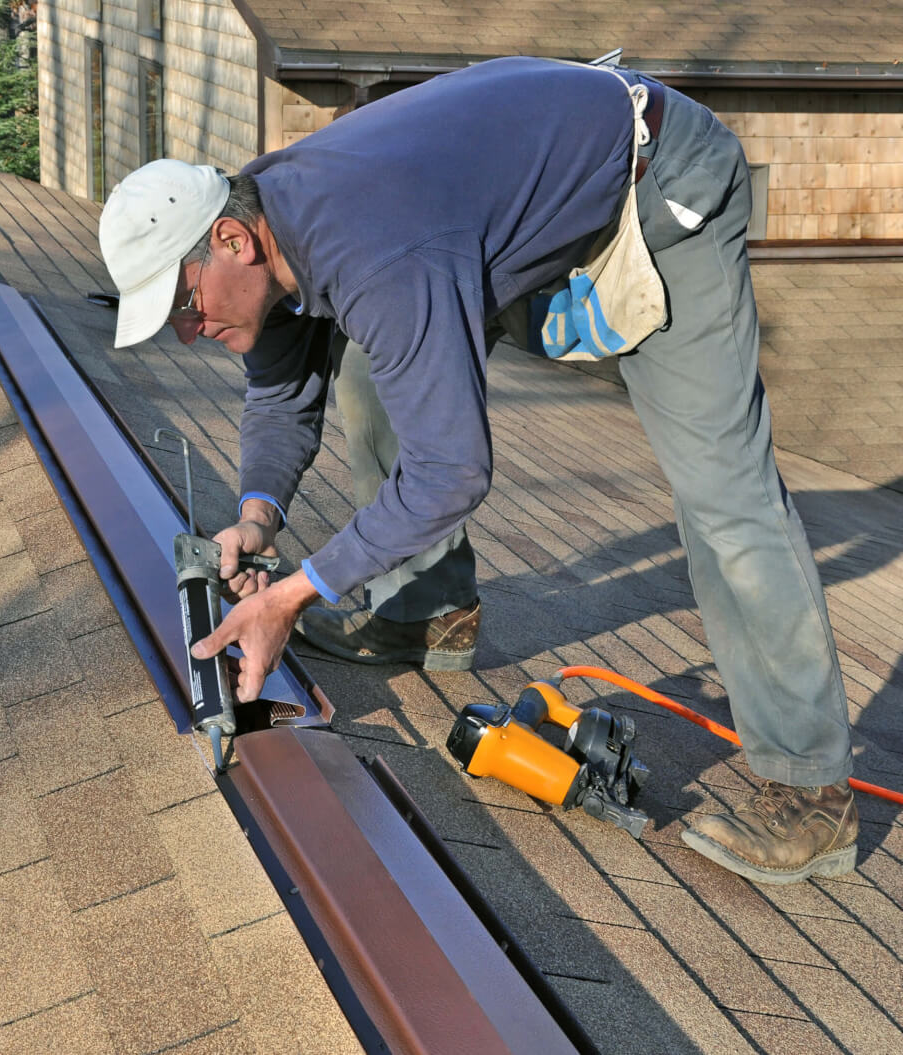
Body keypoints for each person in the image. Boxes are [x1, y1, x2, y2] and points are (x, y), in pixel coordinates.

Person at [98, 56, 857, 885]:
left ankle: (811, 790)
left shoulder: (374, 246)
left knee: (723, 491)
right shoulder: (269, 221)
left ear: (232, 241)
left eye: (183, 303)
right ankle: (428, 613)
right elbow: (282, 397)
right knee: (368, 370)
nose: (187, 330)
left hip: (654, 184)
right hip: (501, 210)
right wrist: (254, 519)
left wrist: (295, 591)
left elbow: (451, 470)